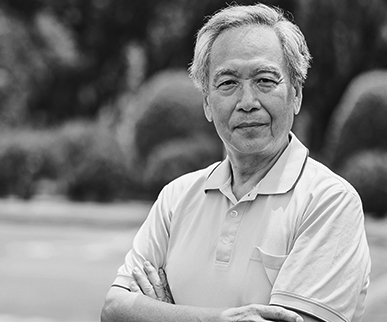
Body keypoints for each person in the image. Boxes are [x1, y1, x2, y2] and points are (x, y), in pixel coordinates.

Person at [101, 3, 371, 322]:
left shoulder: (329, 202)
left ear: (296, 94)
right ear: (207, 103)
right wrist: (219, 320)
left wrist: (163, 313)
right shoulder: (176, 198)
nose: (247, 103)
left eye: (265, 80)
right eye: (228, 82)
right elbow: (114, 310)